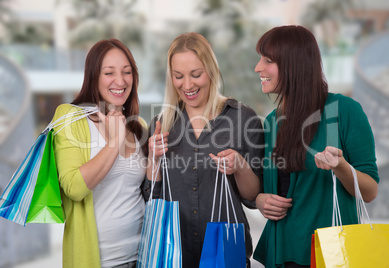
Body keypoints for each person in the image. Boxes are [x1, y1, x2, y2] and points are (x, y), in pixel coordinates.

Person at [253, 25, 380, 268]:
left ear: (294, 64)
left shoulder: (344, 110)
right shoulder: (271, 122)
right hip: (281, 253)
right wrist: (260, 199)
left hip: (333, 255)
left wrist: (340, 166)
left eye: (268, 60)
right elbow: (267, 186)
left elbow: (370, 191)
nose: (258, 67)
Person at [142, 32, 264, 267]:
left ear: (211, 71)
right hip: (174, 254)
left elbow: (251, 197)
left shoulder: (242, 118)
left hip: (226, 253)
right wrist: (154, 161)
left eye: (196, 74)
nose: (187, 85)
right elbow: (151, 198)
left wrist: (239, 167)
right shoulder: (161, 124)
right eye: (178, 76)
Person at [52, 39, 148, 268]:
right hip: (99, 261)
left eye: (127, 72)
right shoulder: (69, 116)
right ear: (93, 76)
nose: (120, 81)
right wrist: (115, 140)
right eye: (109, 73)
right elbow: (74, 187)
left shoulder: (138, 125)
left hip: (144, 257)